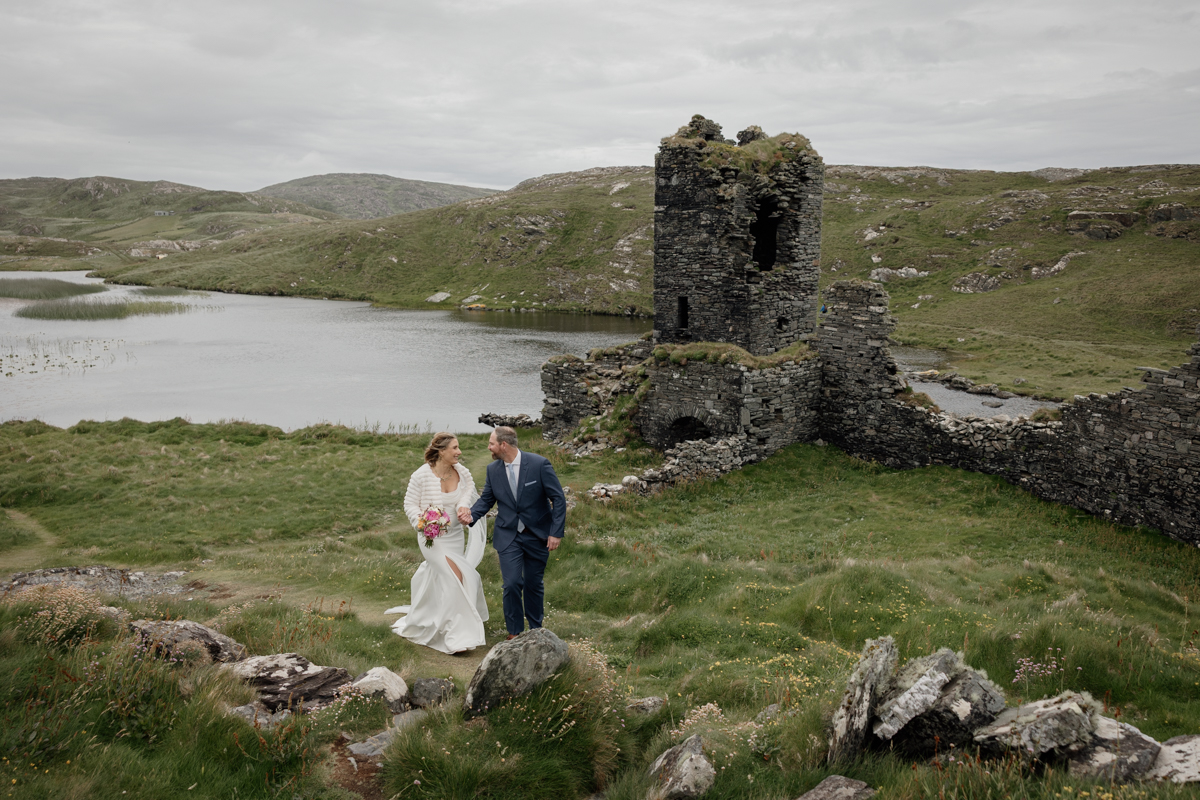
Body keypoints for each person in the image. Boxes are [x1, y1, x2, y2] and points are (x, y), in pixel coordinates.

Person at [459, 426, 565, 639]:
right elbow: (488, 499)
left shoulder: (539, 464)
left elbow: (558, 499)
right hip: (508, 536)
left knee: (534, 584)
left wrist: (556, 532)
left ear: (503, 445)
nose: (489, 447)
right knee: (512, 583)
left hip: (538, 535)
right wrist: (472, 515)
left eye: (491, 443)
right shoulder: (493, 469)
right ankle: (515, 632)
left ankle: (536, 631)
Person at [389, 432, 489, 654]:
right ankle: (457, 635)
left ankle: (434, 619)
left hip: (454, 537)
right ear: (441, 451)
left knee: (445, 578)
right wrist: (422, 523)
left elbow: (466, 495)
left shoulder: (463, 473)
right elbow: (410, 505)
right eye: (454, 448)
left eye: (458, 447)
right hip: (431, 538)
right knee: (457, 577)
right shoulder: (421, 476)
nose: (459, 452)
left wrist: (463, 507)